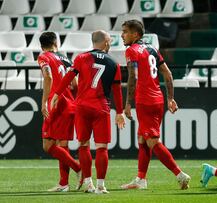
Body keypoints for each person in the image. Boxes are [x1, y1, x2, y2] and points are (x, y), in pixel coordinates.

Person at [51, 30, 125, 194]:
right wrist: (119, 112)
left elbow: (69, 77)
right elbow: (117, 90)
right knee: (102, 147)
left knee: (83, 145)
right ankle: (101, 186)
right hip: (101, 107)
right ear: (106, 43)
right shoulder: (114, 63)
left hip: (82, 107)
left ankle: (88, 184)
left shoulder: (81, 58)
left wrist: (57, 93)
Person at [120, 19, 191, 190]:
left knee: (152, 140)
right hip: (157, 99)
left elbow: (133, 77)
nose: (122, 35)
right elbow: (167, 74)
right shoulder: (152, 49)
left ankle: (180, 175)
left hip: (144, 100)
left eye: (125, 32)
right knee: (143, 138)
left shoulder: (131, 51)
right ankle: (141, 179)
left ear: (135, 34)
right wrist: (170, 98)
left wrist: (127, 103)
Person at [37, 31, 82, 192]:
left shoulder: (43, 57)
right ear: (57, 43)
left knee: (48, 145)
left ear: (42, 45)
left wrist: (44, 102)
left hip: (55, 104)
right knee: (63, 144)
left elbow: (48, 77)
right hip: (70, 104)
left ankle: (78, 169)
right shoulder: (66, 59)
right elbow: (76, 84)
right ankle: (64, 184)